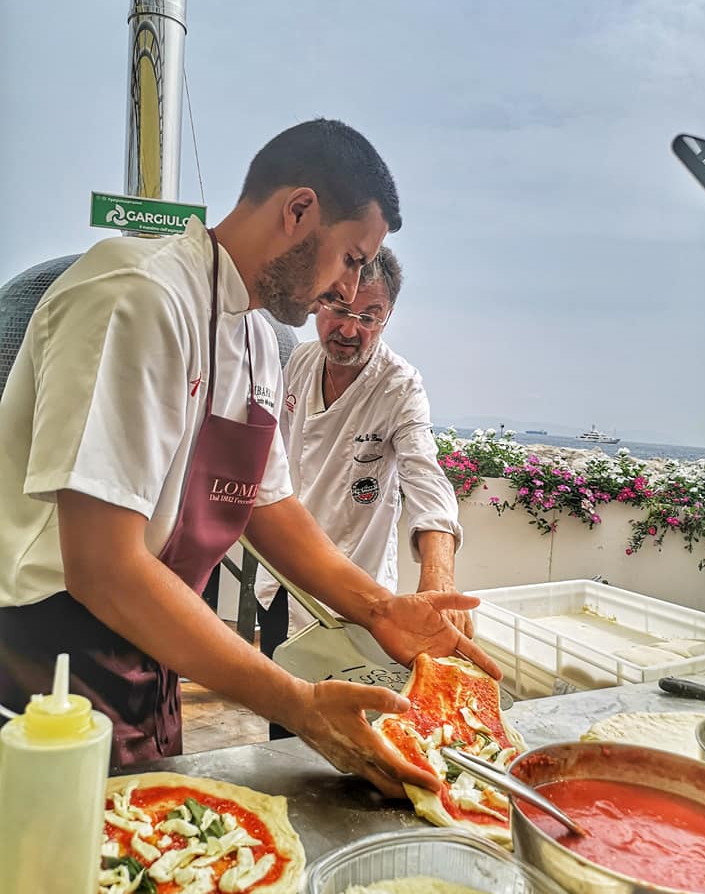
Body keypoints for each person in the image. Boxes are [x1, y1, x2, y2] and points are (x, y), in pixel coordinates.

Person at [0, 118, 499, 797]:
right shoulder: (137, 296)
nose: (349, 291)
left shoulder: (259, 341)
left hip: (157, 647)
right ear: (298, 211)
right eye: (352, 258)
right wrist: (298, 704)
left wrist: (381, 610)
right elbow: (104, 567)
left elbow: (269, 505)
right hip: (51, 656)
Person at [255, 247, 472, 701]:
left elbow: (426, 478)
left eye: (369, 317)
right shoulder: (300, 362)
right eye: (339, 309)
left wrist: (438, 578)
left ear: (387, 318)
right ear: (319, 301)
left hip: (360, 593)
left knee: (351, 719)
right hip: (283, 577)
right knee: (284, 710)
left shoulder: (399, 386)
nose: (350, 330)